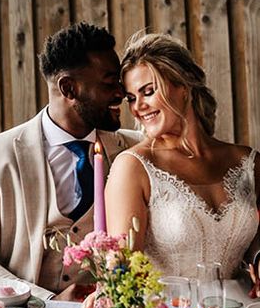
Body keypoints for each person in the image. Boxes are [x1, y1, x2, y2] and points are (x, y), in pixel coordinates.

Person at [0, 22, 139, 300]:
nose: (121, 94)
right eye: (110, 83)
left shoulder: (134, 149)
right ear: (69, 88)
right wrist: (46, 301)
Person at [104, 32, 260, 279]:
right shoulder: (133, 167)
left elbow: (254, 245)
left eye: (148, 91)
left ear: (184, 86)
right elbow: (121, 270)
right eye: (132, 98)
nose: (138, 107)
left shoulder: (247, 162)